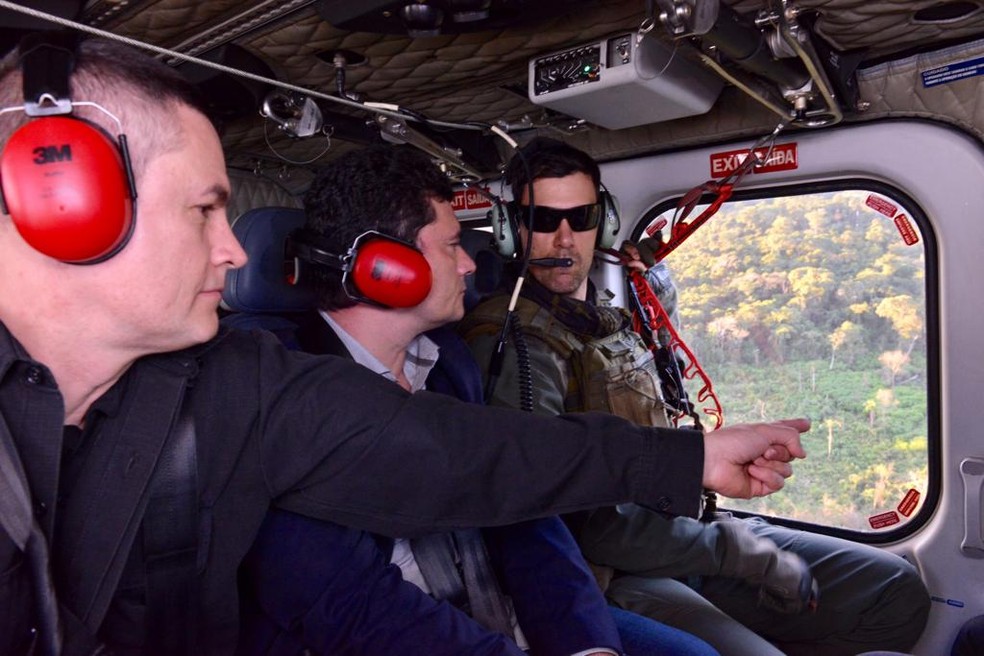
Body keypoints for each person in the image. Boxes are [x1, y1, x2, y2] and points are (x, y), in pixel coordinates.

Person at [0, 37, 807, 655]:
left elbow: (465, 457)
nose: (236, 252)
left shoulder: (238, 387)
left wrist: (687, 457)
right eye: (206, 210)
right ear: (66, 203)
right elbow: (341, 602)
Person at [238, 144, 719, 655]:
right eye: (451, 246)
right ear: (385, 266)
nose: (470, 264)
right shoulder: (281, 391)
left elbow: (526, 518)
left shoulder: (447, 363)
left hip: (499, 619)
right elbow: (348, 606)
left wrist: (587, 645)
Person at [459, 137, 931, 656]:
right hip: (618, 573)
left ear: (607, 221)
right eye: (544, 219)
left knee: (894, 591)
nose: (565, 239)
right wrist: (736, 552)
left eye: (582, 216)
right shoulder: (512, 346)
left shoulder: (610, 315)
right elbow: (573, 521)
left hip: (687, 530)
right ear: (512, 230)